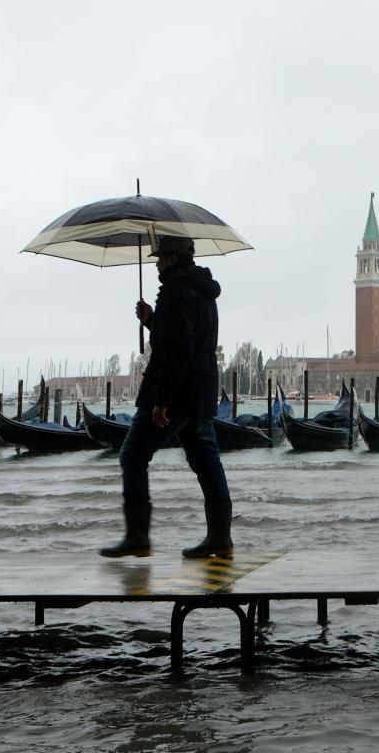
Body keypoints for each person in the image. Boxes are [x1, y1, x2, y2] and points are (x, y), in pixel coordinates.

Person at [100, 234, 233, 559]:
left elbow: (177, 350)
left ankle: (137, 537)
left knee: (132, 456)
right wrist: (151, 321)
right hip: (201, 390)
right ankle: (220, 540)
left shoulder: (175, 292)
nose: (157, 263)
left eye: (160, 258)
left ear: (172, 259)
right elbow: (184, 337)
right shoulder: (202, 290)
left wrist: (162, 401)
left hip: (177, 393)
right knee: (206, 461)